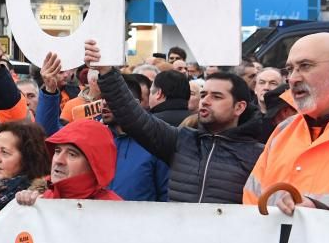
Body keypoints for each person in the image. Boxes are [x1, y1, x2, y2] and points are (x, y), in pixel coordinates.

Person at [87, 39, 263, 204]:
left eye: (216, 97)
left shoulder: (259, 155)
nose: (206, 101)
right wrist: (107, 72)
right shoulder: (183, 141)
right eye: (203, 95)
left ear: (239, 107)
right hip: (178, 235)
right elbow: (133, 117)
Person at [36, 54, 170, 202]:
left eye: (112, 100)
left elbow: (166, 199)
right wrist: (49, 90)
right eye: (103, 98)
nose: (104, 103)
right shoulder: (91, 135)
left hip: (134, 223)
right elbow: (48, 133)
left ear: (134, 105)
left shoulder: (154, 145)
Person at [244, 33, 329, 214]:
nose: (293, 78)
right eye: (290, 69)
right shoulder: (284, 130)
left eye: (305, 66)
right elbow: (251, 203)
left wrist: (319, 212)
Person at [15, 119, 122, 205]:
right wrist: (25, 212)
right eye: (57, 151)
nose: (58, 160)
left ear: (94, 165)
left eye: (72, 154)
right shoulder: (41, 200)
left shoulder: (113, 210)